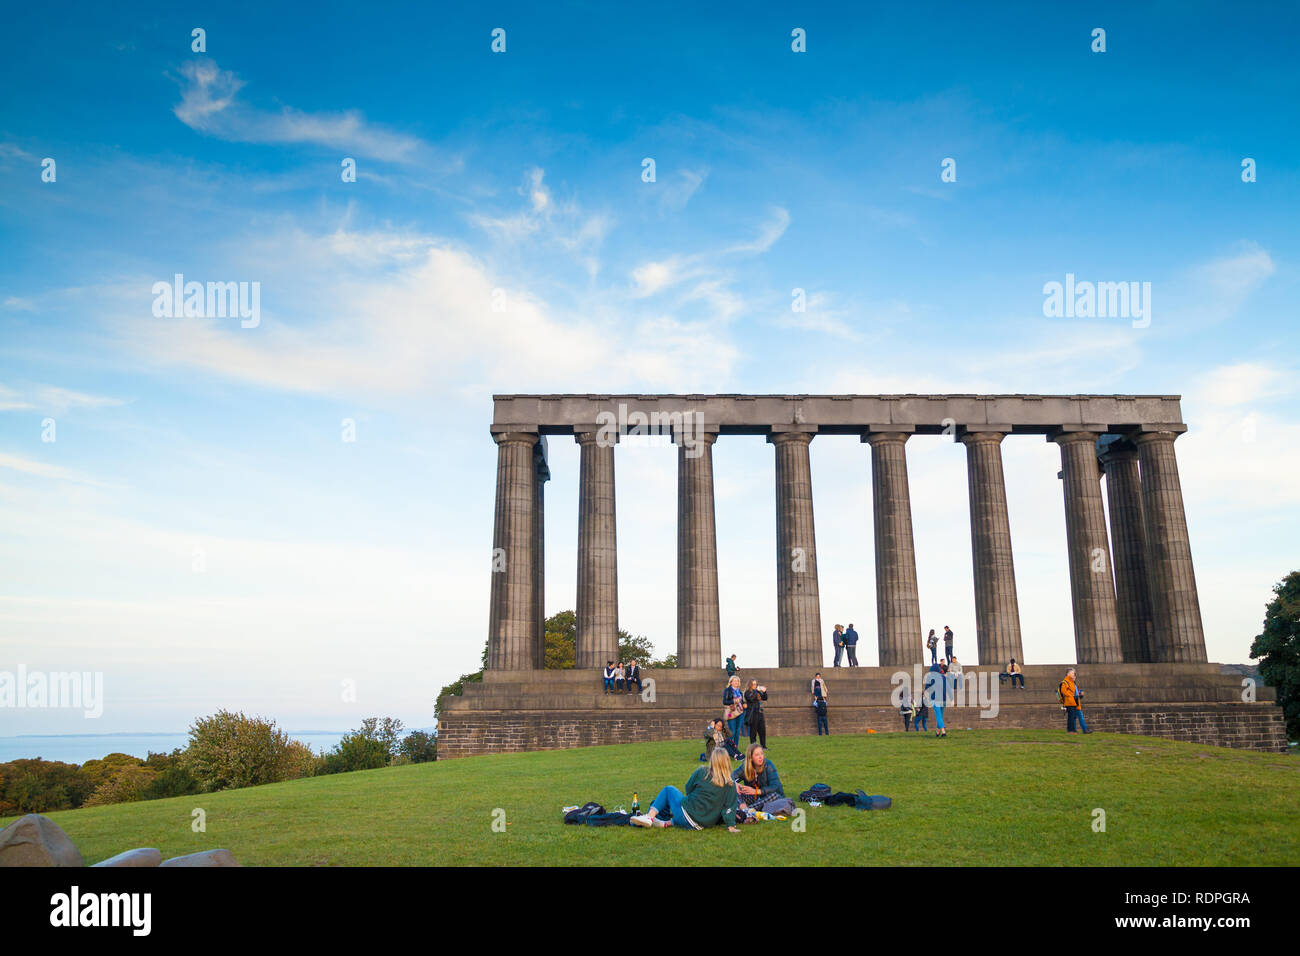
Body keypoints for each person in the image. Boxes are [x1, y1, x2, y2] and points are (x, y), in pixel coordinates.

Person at [632, 747, 741, 832]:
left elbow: (688, 788)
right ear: (727, 761)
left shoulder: (703, 772)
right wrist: (731, 826)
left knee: (668, 790)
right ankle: (666, 823)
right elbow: (730, 806)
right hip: (702, 825)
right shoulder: (730, 783)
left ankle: (649, 817)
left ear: (713, 760)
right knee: (681, 807)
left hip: (687, 816)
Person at [732, 744, 783, 815]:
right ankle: (745, 809)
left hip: (769, 797)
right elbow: (729, 777)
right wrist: (734, 783)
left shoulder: (768, 765)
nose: (760, 757)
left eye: (762, 754)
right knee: (734, 790)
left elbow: (775, 786)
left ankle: (746, 810)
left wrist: (756, 791)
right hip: (754, 797)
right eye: (757, 755)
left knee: (775, 796)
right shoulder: (745, 766)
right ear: (751, 758)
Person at [1059, 667, 1091, 734]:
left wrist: (1079, 694)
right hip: (1070, 702)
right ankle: (1071, 730)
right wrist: (1072, 696)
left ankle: (1073, 730)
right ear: (1068, 674)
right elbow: (1063, 691)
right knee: (1071, 717)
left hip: (1074, 702)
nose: (1074, 675)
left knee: (1073, 717)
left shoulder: (1072, 683)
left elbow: (1074, 692)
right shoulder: (1065, 682)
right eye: (1073, 673)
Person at [743, 679, 768, 749]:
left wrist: (764, 691)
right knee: (753, 731)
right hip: (752, 713)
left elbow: (765, 698)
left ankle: (764, 746)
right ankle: (753, 747)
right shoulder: (747, 693)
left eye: (756, 684)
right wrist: (757, 690)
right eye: (753, 684)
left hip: (760, 712)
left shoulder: (758, 692)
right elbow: (751, 698)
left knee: (762, 730)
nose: (755, 686)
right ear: (750, 685)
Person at [927, 661, 948, 738]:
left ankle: (943, 731)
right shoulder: (943, 677)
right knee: (940, 716)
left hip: (935, 698)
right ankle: (937, 731)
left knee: (938, 716)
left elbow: (927, 688)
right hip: (943, 698)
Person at [723, 675, 746, 746]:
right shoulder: (727, 690)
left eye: (737, 681)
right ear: (731, 682)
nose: (736, 682)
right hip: (732, 712)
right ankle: (726, 746)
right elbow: (724, 701)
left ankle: (735, 748)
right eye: (735, 681)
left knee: (737, 731)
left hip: (740, 712)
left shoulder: (740, 691)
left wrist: (744, 704)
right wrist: (733, 701)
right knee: (732, 732)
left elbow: (741, 701)